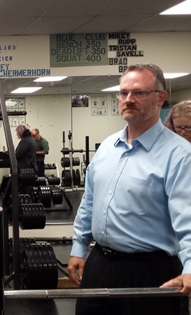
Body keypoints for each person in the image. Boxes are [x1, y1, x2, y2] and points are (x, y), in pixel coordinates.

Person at [67, 64, 191, 315]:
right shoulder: (107, 148)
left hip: (150, 270)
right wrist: (79, 247)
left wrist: (190, 269)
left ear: (161, 97)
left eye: (139, 93)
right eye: (123, 93)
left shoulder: (180, 155)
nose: (128, 99)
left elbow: (188, 219)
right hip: (99, 264)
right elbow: (89, 202)